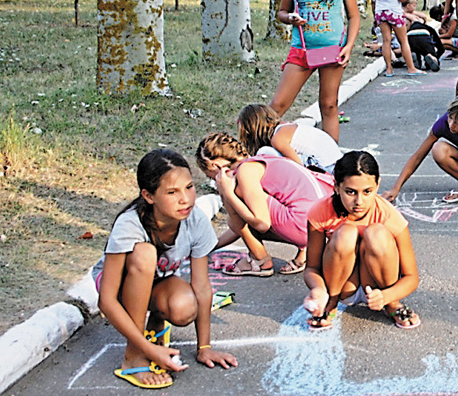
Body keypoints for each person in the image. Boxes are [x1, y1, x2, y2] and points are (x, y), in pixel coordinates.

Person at [94, 149, 237, 389]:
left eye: (189, 187)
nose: (186, 199)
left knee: (184, 306)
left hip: (157, 284)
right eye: (172, 192)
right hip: (118, 289)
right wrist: (147, 349)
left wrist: (204, 348)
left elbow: (201, 286)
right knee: (145, 253)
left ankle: (156, 324)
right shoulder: (129, 224)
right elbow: (106, 301)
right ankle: (133, 357)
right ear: (149, 196)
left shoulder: (195, 219)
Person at [303, 151, 421, 330]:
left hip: (377, 288)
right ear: (336, 186)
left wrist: (388, 296)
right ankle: (331, 301)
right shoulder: (320, 211)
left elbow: (412, 277)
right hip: (341, 286)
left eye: (367, 192)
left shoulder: (389, 215)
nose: (359, 201)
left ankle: (392, 305)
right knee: (345, 233)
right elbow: (311, 267)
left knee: (376, 233)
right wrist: (319, 289)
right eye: (350, 192)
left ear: (377, 185)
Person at [196, 133, 335, 277]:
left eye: (209, 175)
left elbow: (261, 223)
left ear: (216, 166)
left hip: (305, 226)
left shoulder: (245, 172)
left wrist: (227, 194)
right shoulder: (261, 159)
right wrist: (209, 247)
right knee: (247, 206)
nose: (213, 180)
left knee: (235, 200)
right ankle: (305, 250)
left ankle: (260, 260)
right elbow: (239, 227)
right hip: (322, 224)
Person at [270, 0, 361, 143]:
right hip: (301, 50)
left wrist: (348, 46)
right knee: (276, 106)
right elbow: (281, 12)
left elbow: (354, 16)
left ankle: (331, 162)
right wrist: (290, 17)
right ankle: (254, 152)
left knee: (329, 104)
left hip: (332, 51)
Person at [237, 103, 342, 174]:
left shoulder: (278, 139)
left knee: (265, 153)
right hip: (336, 163)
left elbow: (299, 167)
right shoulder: (286, 128)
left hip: (327, 168)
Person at [372, 0, 424, 77]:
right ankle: (411, 68)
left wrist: (375, 16)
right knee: (403, 40)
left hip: (381, 13)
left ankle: (389, 69)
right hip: (394, 12)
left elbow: (373, 1)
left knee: (386, 41)